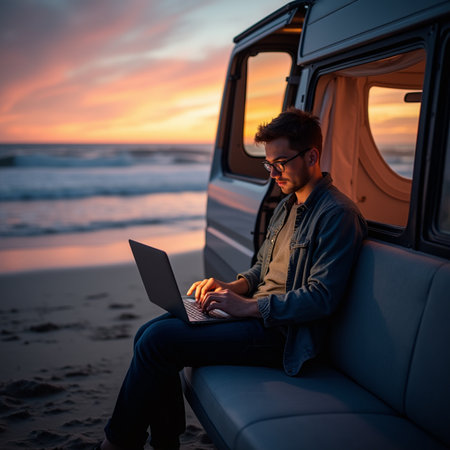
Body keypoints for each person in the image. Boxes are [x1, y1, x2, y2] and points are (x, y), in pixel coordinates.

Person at [96, 108, 367, 450]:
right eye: (268, 164)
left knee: (159, 341)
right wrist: (230, 288)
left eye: (280, 163)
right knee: (146, 333)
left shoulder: (337, 215)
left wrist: (247, 308)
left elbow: (322, 298)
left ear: (312, 155)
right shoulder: (287, 205)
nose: (273, 173)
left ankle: (118, 444)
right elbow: (262, 270)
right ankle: (164, 441)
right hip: (257, 317)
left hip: (285, 335)